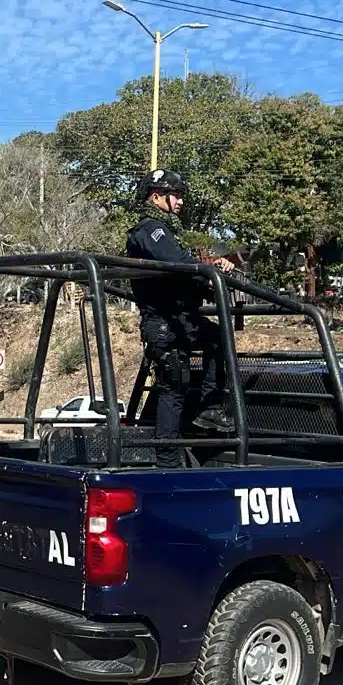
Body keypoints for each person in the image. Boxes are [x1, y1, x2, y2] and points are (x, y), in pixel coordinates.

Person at [124, 168, 236, 467]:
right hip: (164, 321)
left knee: (219, 338)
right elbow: (177, 263)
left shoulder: (165, 232)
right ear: (156, 196)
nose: (181, 201)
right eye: (176, 195)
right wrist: (205, 269)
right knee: (173, 386)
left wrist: (211, 270)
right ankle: (167, 461)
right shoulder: (150, 230)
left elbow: (183, 267)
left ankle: (209, 407)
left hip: (182, 318)